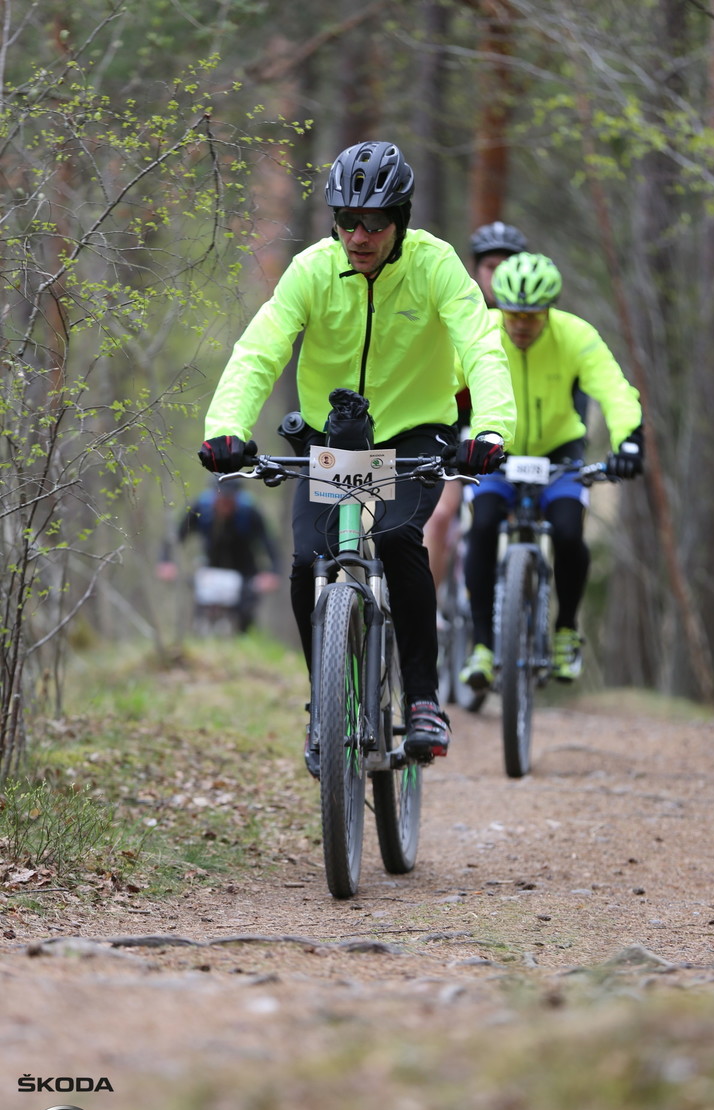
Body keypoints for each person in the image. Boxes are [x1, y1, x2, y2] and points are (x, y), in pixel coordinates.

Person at [197, 140, 516, 765]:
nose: (359, 236)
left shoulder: (435, 265)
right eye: (347, 220)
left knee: (398, 541)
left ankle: (423, 697)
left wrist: (491, 429)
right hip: (332, 441)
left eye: (374, 223)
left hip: (413, 437)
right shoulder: (313, 269)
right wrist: (226, 426)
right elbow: (260, 349)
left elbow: (480, 340)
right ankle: (327, 702)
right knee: (303, 563)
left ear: (401, 221)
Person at [459, 251, 644, 689]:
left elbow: (615, 390)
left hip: (560, 451)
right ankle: (482, 645)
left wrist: (629, 442)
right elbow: (443, 383)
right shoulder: (482, 333)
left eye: (533, 315)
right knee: (482, 525)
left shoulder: (576, 336)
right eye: (514, 314)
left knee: (567, 532)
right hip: (497, 450)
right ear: (500, 306)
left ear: (549, 310)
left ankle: (565, 631)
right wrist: (445, 433)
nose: (521, 324)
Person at [423, 221, 528, 592]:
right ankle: (428, 608)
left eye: (506, 265)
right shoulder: (459, 308)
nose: (498, 275)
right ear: (476, 269)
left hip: (516, 437)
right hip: (455, 430)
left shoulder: (534, 318)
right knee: (439, 517)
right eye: (490, 266)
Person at [157, 477, 281, 632]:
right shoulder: (201, 507)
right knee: (202, 606)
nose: (225, 505)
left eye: (229, 500)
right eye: (221, 499)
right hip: (210, 564)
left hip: (244, 567)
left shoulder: (249, 511)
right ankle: (201, 639)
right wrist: (165, 561)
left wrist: (273, 572)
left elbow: (268, 542)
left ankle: (242, 640)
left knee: (245, 611)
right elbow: (176, 535)